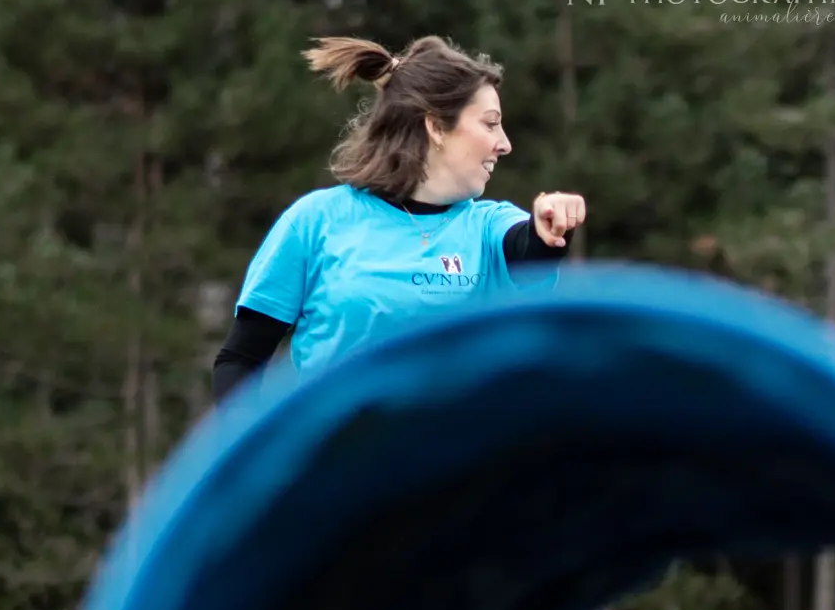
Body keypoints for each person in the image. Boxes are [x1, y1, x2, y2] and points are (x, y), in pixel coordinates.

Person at [211, 35, 588, 402]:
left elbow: (529, 250)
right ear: (436, 127)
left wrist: (550, 225)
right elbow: (241, 360)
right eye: (490, 124)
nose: (504, 143)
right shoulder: (316, 221)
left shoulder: (489, 226)